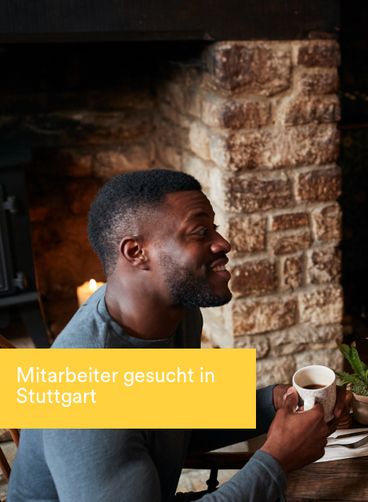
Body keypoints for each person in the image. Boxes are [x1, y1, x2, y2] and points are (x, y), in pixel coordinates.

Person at [9, 169, 343, 501]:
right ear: (136, 252)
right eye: (200, 232)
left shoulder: (179, 315)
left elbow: (170, 422)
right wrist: (276, 461)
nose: (223, 243)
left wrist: (273, 402)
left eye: (215, 228)